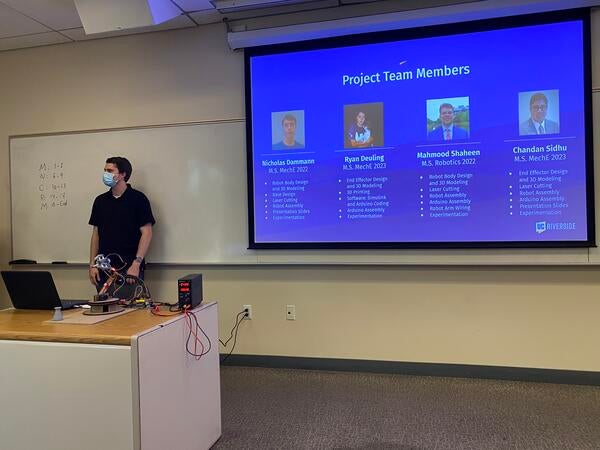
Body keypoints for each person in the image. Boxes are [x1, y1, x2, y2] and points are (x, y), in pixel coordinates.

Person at [88, 157, 155, 294]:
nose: (106, 174)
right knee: (105, 311)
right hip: (103, 269)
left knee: (129, 310)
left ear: (123, 174)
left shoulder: (138, 199)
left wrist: (136, 264)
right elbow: (96, 234)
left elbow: (147, 233)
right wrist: (92, 265)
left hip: (129, 268)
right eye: (105, 170)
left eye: (110, 170)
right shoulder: (100, 201)